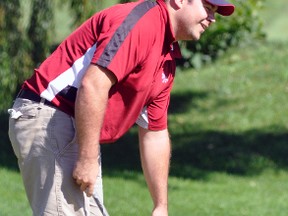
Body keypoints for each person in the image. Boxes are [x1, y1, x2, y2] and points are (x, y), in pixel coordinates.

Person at [8, 0, 235, 215]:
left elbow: (154, 133)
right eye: (207, 7)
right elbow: (93, 85)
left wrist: (160, 206)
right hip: (50, 115)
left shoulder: (166, 55)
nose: (212, 18)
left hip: (76, 126)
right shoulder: (143, 23)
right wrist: (87, 160)